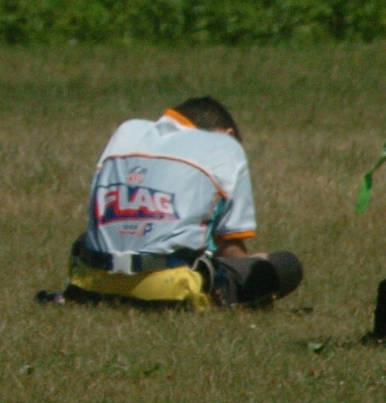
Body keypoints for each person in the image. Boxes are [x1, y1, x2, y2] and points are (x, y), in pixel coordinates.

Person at [55, 97, 304, 308]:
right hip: (166, 290)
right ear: (228, 134)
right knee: (285, 265)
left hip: (89, 285)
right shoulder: (225, 147)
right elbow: (230, 249)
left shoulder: (127, 131)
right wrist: (251, 262)